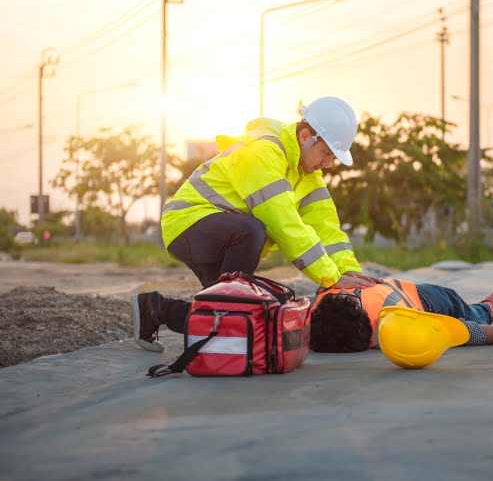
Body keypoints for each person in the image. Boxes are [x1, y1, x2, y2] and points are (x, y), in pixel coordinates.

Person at [132, 97, 382, 352]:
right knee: (252, 231)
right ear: (306, 136)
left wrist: (351, 276)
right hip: (188, 224)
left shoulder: (308, 179)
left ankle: (154, 309)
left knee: (238, 316)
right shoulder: (264, 151)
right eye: (327, 153)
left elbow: (328, 232)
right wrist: (330, 277)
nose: (328, 163)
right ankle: (191, 317)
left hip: (220, 236)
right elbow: (282, 222)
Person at [309, 279, 493, 352]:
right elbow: (462, 332)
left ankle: (483, 309)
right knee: (464, 316)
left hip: (421, 295)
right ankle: (484, 309)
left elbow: (464, 332)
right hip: (411, 296)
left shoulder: (400, 320)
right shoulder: (319, 304)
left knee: (460, 306)